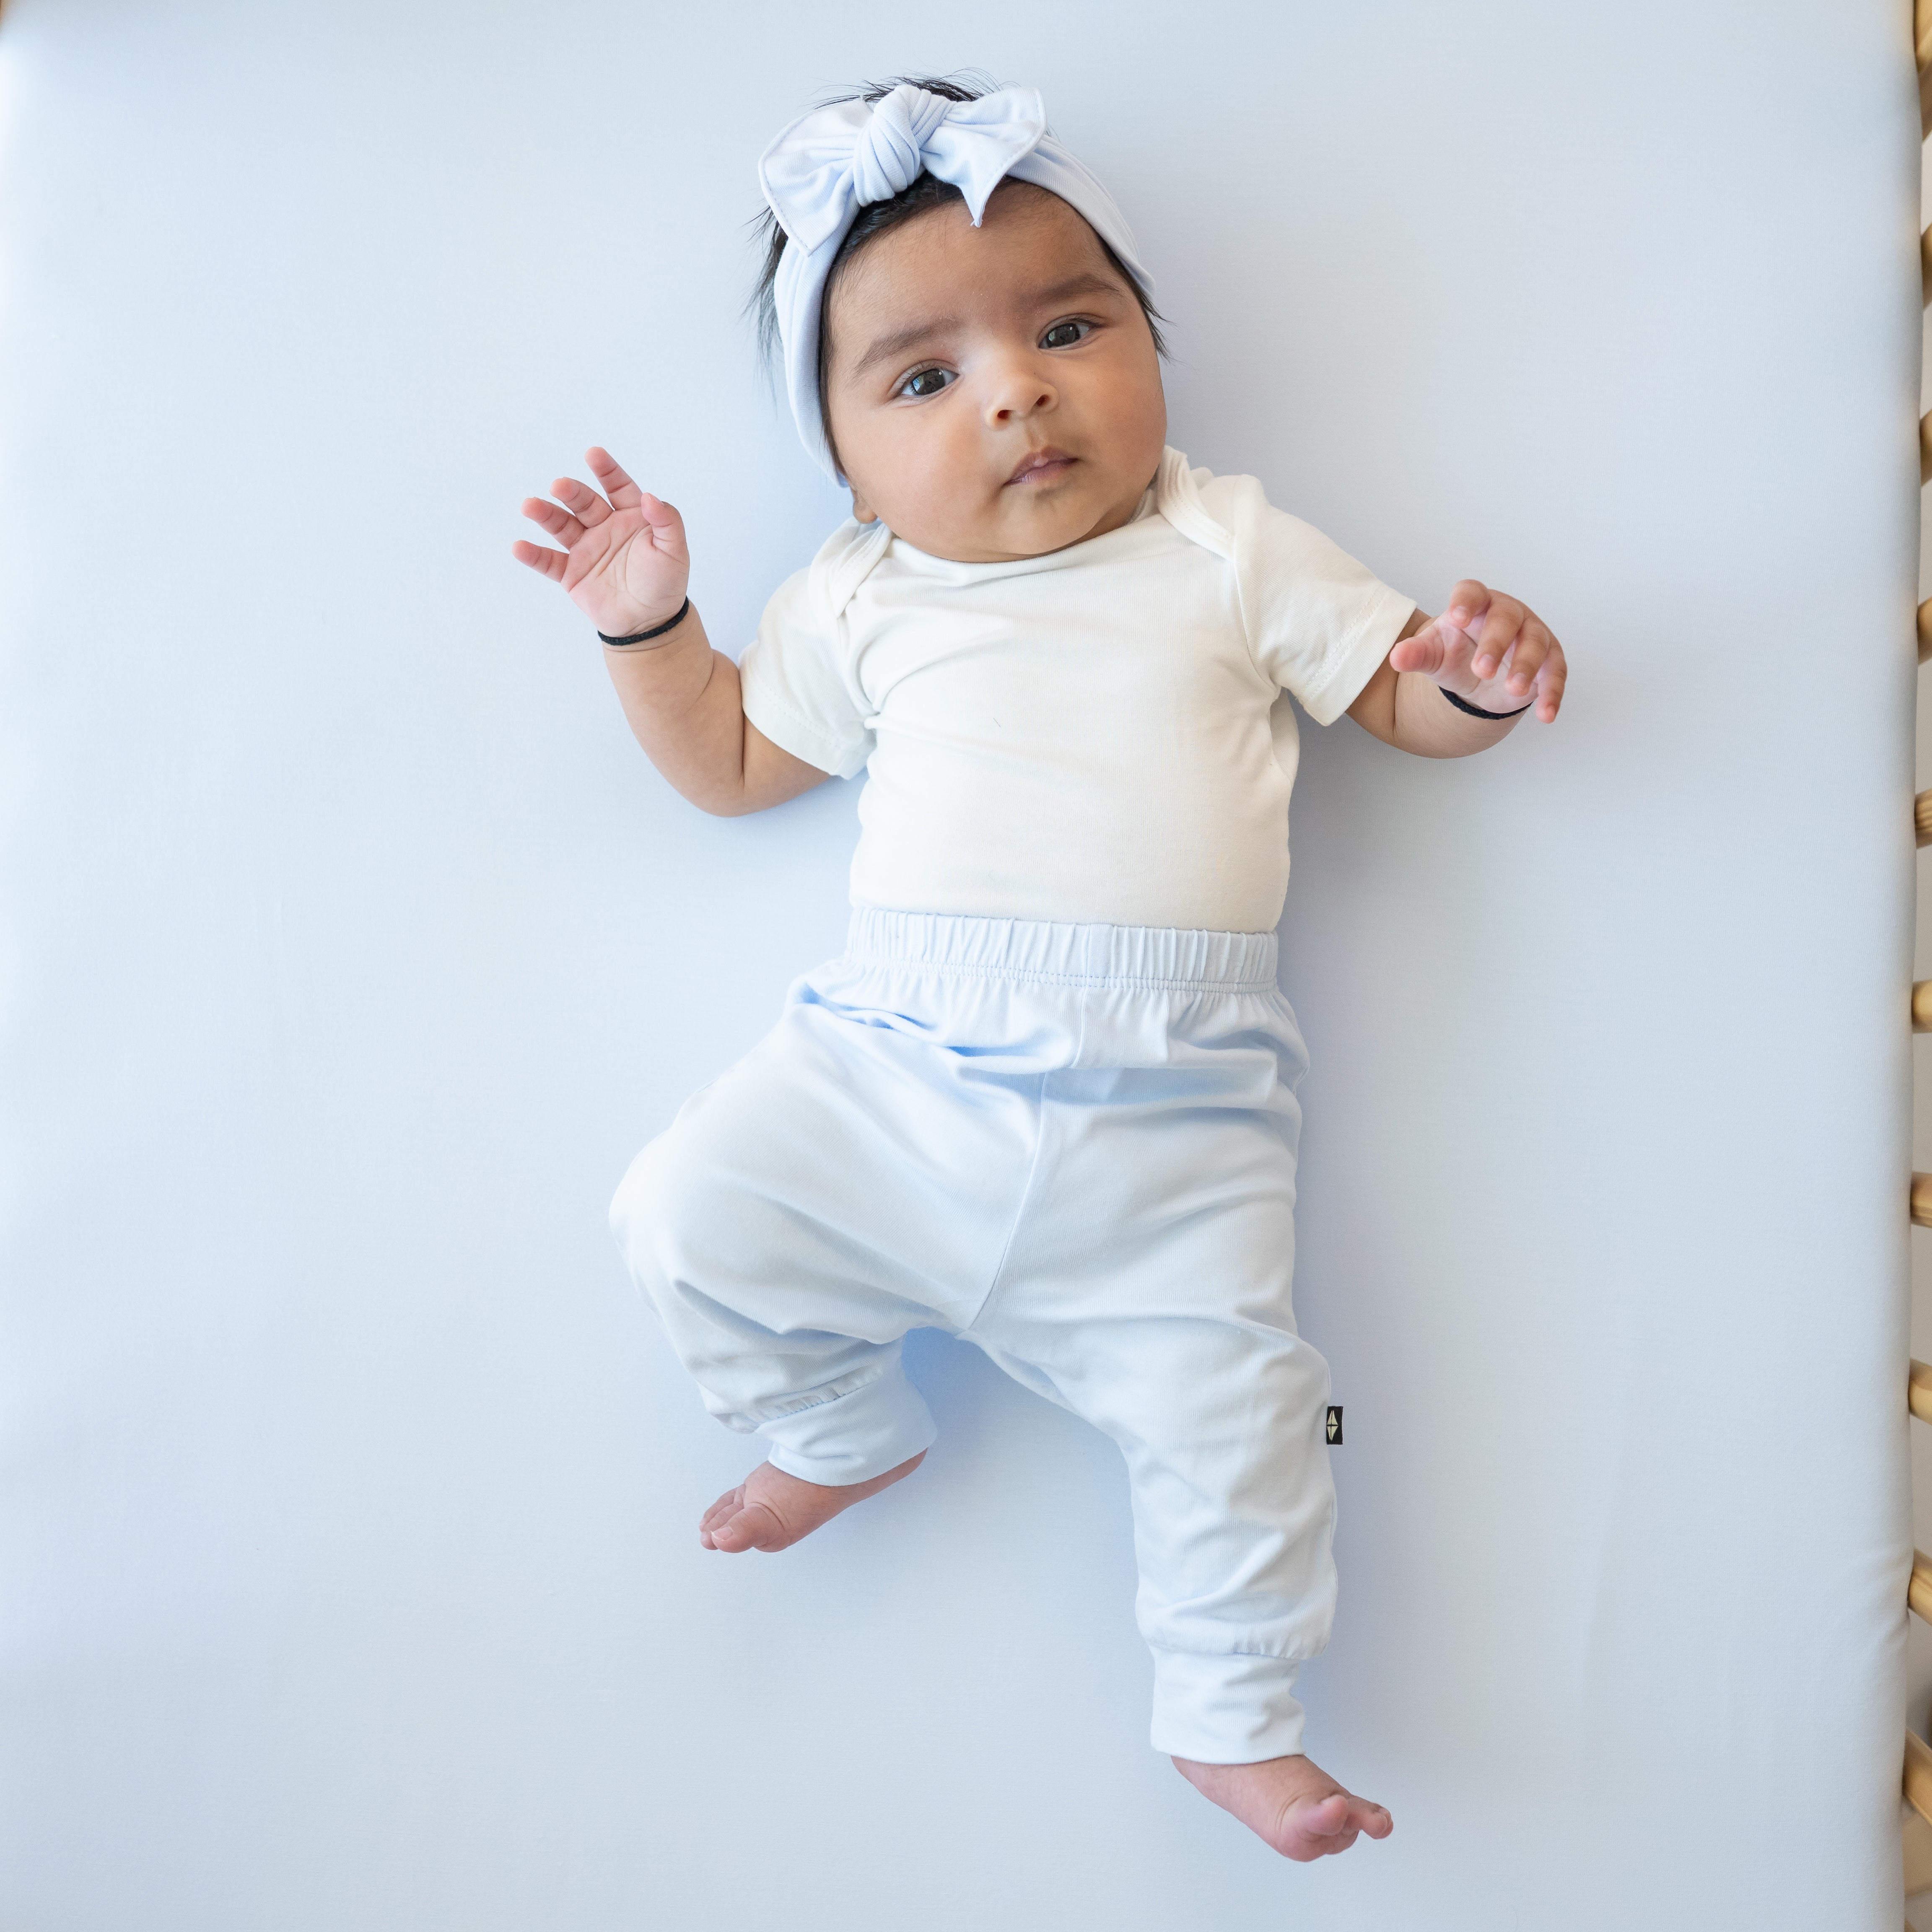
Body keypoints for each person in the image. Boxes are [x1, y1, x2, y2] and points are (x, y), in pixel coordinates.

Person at [511, 77, 1566, 1863]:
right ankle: (835, 1419)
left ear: (1150, 348)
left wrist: (1467, 678)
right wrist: (648, 629)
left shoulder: (1225, 545)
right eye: (924, 378)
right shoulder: (863, 595)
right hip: (897, 1081)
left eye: (1070, 328)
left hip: (1175, 1124)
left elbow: (1390, 694)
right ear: (842, 465)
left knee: (1240, 1416)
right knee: (684, 1205)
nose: (1014, 388)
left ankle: (1233, 1717)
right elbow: (735, 761)